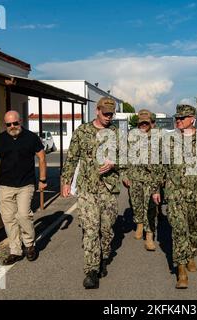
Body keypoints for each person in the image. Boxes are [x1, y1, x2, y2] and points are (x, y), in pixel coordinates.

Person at [152, 104, 197, 289]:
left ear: (192, 119)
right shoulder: (167, 140)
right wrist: (156, 189)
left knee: (195, 230)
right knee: (179, 230)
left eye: (182, 118)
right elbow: (159, 167)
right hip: (175, 194)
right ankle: (181, 270)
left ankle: (191, 255)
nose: (178, 121)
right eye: (177, 118)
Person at [61, 97, 120, 290]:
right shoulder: (82, 132)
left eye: (111, 114)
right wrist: (66, 181)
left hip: (109, 190)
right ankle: (91, 270)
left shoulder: (116, 133)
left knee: (106, 230)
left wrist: (114, 163)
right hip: (87, 189)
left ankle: (103, 256)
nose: (109, 117)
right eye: (106, 113)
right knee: (90, 229)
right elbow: (71, 158)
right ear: (97, 111)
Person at [0, 110, 47, 265]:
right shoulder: (0, 139)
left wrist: (43, 179)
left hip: (25, 184)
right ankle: (15, 251)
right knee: (9, 219)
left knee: (24, 215)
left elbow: (42, 157)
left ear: (21, 122)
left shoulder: (31, 137)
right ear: (5, 125)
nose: (12, 126)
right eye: (9, 124)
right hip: (5, 185)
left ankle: (29, 245)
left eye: (15, 123)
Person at [123, 109, 158, 251]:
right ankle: (139, 224)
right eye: (141, 122)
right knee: (136, 203)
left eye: (146, 122)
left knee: (151, 207)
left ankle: (149, 236)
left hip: (151, 179)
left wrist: (161, 179)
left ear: (151, 123)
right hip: (134, 177)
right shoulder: (131, 136)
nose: (143, 124)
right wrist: (124, 174)